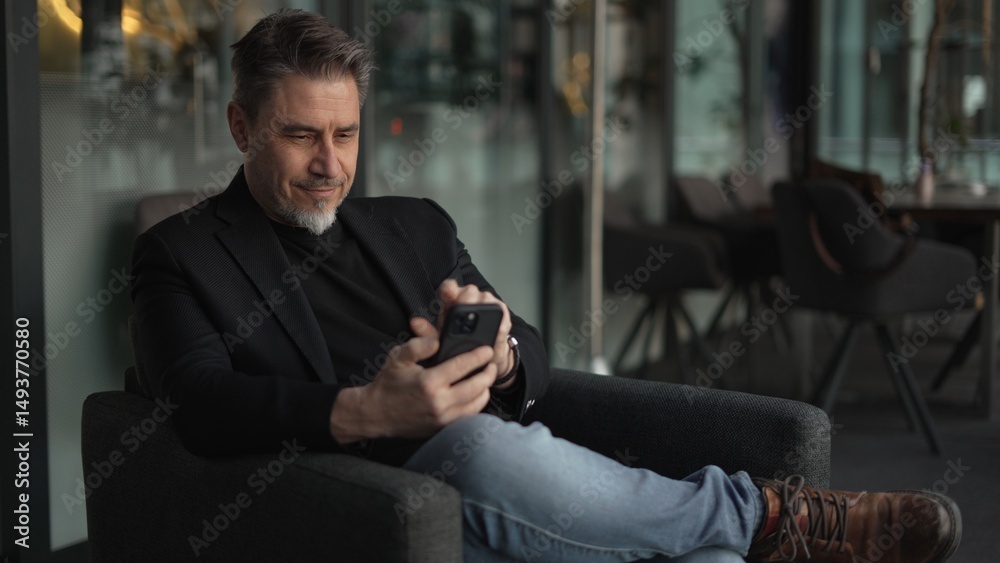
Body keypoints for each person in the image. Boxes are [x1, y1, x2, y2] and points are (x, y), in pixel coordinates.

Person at [131, 9, 961, 562]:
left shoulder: (413, 223)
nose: (331, 163)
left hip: (497, 489)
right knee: (496, 451)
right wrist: (364, 412)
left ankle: (746, 528)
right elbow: (194, 400)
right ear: (242, 127)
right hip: (362, 495)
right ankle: (768, 516)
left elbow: (532, 349)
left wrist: (498, 356)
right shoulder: (179, 253)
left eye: (346, 133)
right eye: (301, 135)